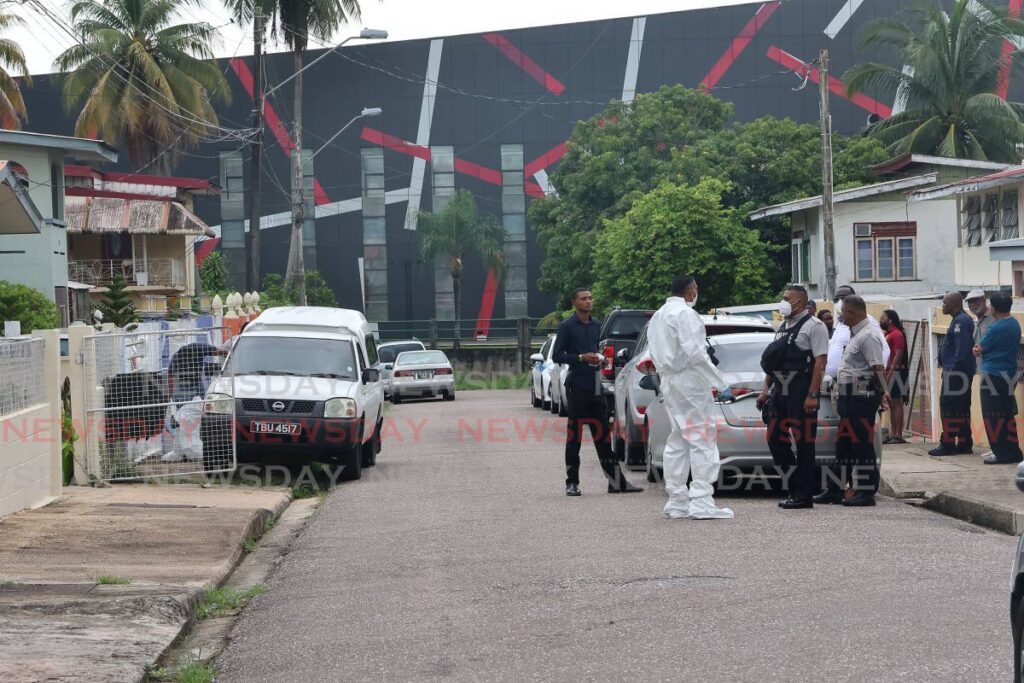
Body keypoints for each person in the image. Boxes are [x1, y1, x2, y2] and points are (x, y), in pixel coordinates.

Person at [647, 274, 734, 519]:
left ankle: (677, 500)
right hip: (690, 382)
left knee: (679, 440)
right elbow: (696, 353)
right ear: (691, 291)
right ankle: (702, 502)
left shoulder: (659, 315)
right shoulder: (685, 314)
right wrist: (720, 381)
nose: (696, 293)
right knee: (703, 439)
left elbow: (654, 351)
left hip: (670, 382)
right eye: (696, 289)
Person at [553, 288, 643, 496]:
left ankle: (616, 482)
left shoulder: (597, 326)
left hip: (595, 385)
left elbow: (599, 350)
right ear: (574, 302)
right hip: (576, 385)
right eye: (584, 298)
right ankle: (572, 483)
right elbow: (557, 355)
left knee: (602, 435)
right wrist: (580, 358)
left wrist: (599, 357)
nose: (588, 301)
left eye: (590, 298)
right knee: (574, 437)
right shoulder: (567, 327)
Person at [756, 285, 829, 509]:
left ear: (800, 301)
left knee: (804, 444)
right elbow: (774, 363)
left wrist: (812, 395)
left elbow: (820, 363)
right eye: (783, 297)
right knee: (775, 439)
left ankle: (803, 496)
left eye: (787, 298)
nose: (784, 301)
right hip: (780, 391)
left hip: (802, 392)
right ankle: (795, 486)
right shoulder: (784, 326)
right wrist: (764, 390)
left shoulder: (814, 326)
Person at [816, 296, 890, 507]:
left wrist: (884, 393)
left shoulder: (868, 336)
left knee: (861, 444)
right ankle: (835, 490)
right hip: (849, 394)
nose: (841, 316)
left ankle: (866, 492)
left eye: (845, 312)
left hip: (861, 395)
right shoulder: (856, 334)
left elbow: (877, 368)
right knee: (844, 444)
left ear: (854, 312)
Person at [972, 291, 1023, 465]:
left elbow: (979, 348)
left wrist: (977, 350)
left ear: (993, 307)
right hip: (1009, 374)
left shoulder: (997, 326)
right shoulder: (1015, 324)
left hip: (992, 375)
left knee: (993, 416)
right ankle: (1013, 451)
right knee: (1007, 415)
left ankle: (1001, 453)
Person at [930, 291, 976, 456]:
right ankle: (964, 443)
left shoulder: (961, 321)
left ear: (955, 304)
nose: (943, 306)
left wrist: (951, 369)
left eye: (945, 303)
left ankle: (948, 444)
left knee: (949, 407)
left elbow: (962, 350)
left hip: (957, 373)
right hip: (957, 372)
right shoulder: (958, 320)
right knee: (960, 408)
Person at [825, 285, 889, 379]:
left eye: (843, 298)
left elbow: (884, 350)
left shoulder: (866, 321)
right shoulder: (841, 322)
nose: (839, 302)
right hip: (839, 382)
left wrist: (875, 379)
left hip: (858, 384)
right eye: (836, 299)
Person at [880, 309, 909, 445]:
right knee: (891, 403)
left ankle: (898, 435)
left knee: (896, 403)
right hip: (890, 371)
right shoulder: (888, 334)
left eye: (883, 318)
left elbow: (898, 355)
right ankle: (893, 433)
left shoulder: (896, 334)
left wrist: (890, 373)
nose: (881, 320)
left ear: (890, 320)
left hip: (896, 372)